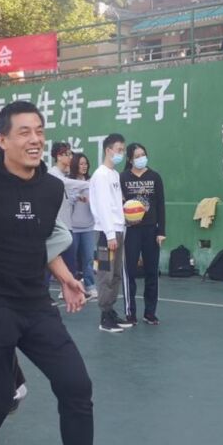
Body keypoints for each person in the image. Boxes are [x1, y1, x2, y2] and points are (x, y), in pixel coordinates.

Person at [0, 101, 93, 445]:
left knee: (76, 386)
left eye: (39, 131)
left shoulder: (51, 189)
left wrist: (65, 278)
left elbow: (41, 241)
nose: (35, 139)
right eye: (24, 132)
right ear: (2, 139)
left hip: (35, 306)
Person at [89, 133, 133, 334]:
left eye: (123, 150)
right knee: (105, 273)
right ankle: (104, 317)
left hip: (117, 230)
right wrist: (110, 234)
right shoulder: (100, 175)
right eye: (119, 150)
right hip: (105, 234)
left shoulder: (114, 174)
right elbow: (103, 207)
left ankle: (110, 311)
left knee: (115, 274)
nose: (121, 153)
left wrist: (125, 220)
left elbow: (116, 205)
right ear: (108, 150)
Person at [120, 143, 166, 325]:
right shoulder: (123, 177)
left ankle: (150, 313)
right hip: (131, 230)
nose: (141, 158)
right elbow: (118, 202)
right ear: (130, 159)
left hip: (151, 230)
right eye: (137, 156)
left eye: (143, 155)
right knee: (130, 272)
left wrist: (161, 231)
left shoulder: (154, 177)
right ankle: (130, 313)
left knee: (151, 272)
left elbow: (160, 205)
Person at [48, 142, 91, 297]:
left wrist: (77, 197)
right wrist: (88, 183)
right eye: (67, 154)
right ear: (58, 156)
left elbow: (67, 196)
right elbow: (65, 184)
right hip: (56, 227)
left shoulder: (64, 175)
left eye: (71, 154)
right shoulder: (53, 174)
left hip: (67, 226)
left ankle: (72, 292)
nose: (70, 157)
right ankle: (44, 295)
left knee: (70, 264)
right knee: (50, 262)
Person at [69, 153, 98, 299]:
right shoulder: (69, 181)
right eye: (81, 163)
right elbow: (66, 200)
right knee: (71, 259)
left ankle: (90, 286)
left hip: (88, 227)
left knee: (88, 258)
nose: (84, 166)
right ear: (75, 165)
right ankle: (69, 286)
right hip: (72, 227)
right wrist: (76, 197)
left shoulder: (92, 182)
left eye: (85, 163)